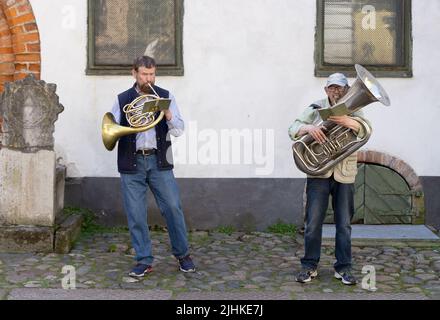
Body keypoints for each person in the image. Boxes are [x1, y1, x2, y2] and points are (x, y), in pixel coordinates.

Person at [110, 56, 195, 277]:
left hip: (159, 162)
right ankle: (144, 260)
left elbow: (178, 130)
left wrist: (167, 114)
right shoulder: (123, 99)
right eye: (144, 74)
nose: (148, 79)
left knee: (173, 208)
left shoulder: (165, 96)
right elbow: (113, 127)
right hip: (132, 162)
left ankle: (183, 255)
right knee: (136, 214)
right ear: (134, 73)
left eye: (152, 74)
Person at [288, 73, 370, 285]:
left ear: (347, 89)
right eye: (332, 88)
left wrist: (349, 122)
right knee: (313, 223)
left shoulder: (355, 108)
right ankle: (309, 266)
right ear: (326, 90)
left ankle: (343, 268)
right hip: (319, 173)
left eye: (341, 88)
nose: (336, 91)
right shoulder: (316, 107)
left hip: (345, 175)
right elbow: (293, 128)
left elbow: (366, 129)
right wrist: (310, 128)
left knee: (344, 224)